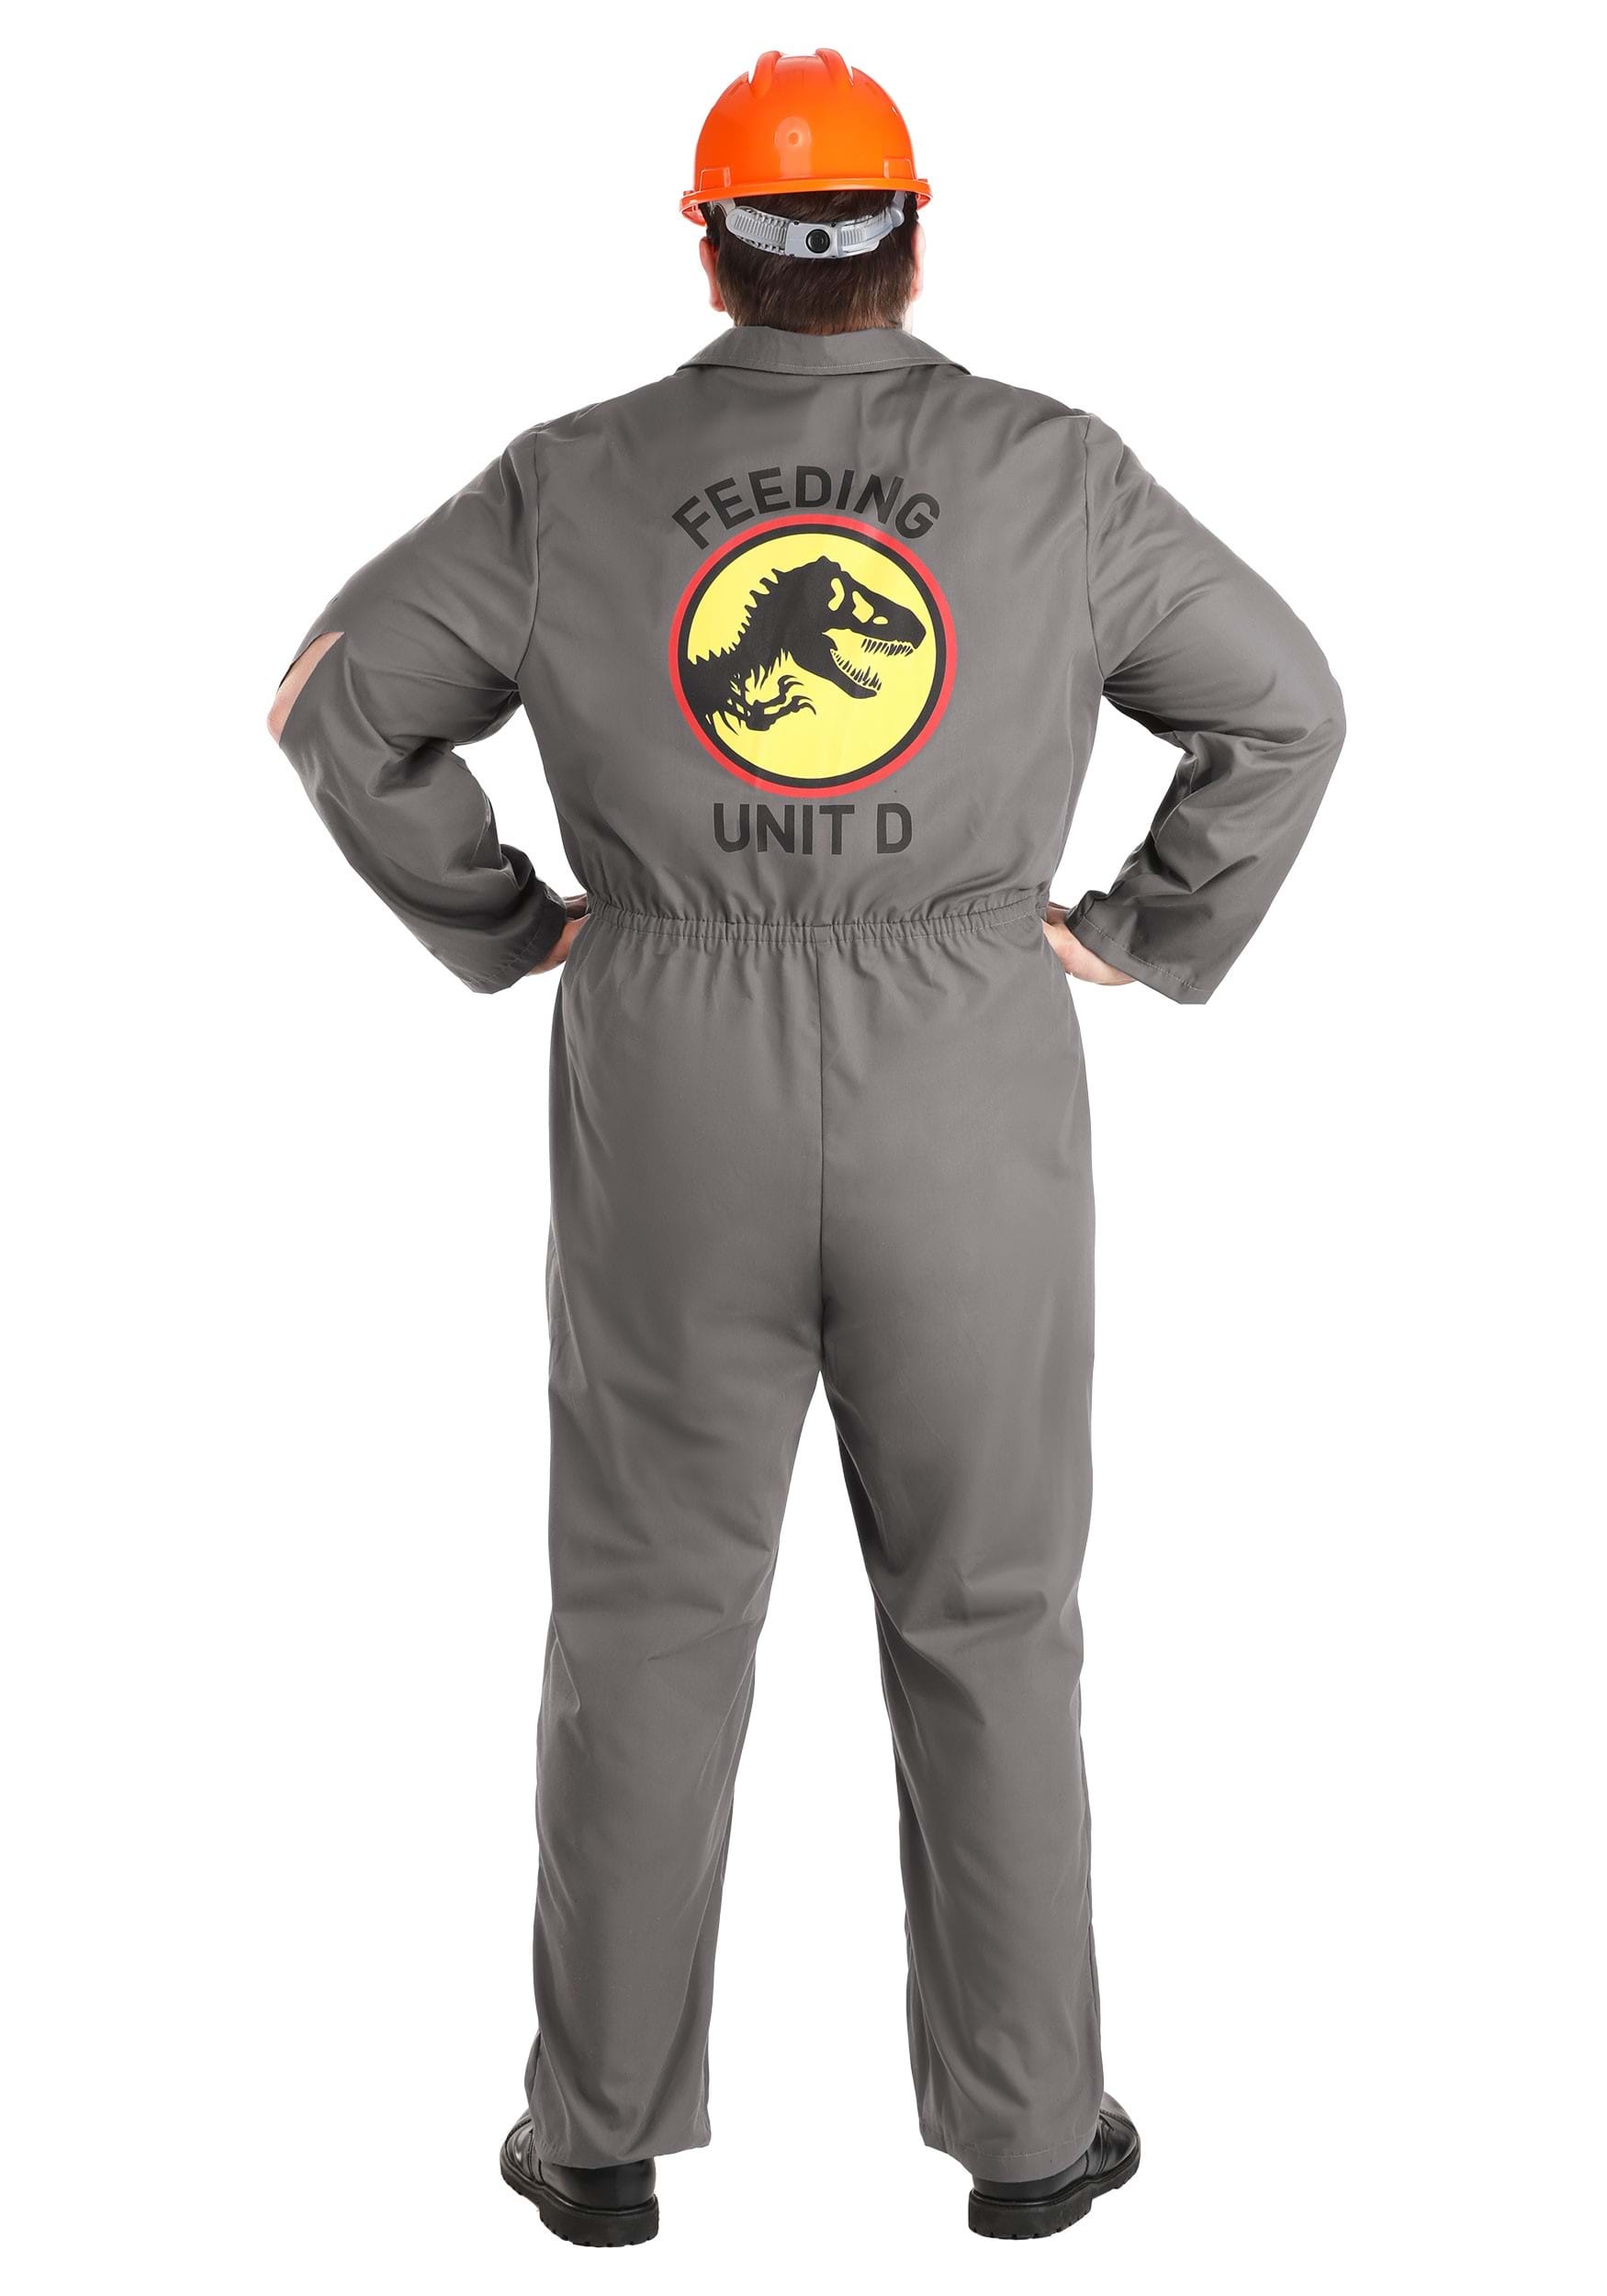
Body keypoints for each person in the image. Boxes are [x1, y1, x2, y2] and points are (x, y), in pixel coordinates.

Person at [269, 47, 1343, 2249]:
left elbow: (330, 698)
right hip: (965, 1057)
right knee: (987, 1605)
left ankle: (592, 2137)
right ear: (911, 241)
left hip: (669, 1067)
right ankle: (1029, 2134)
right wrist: (1140, 931)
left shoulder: (572, 480)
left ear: (711, 249)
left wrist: (510, 925)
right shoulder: (1050, 471)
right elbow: (1282, 703)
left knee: (647, 1605)